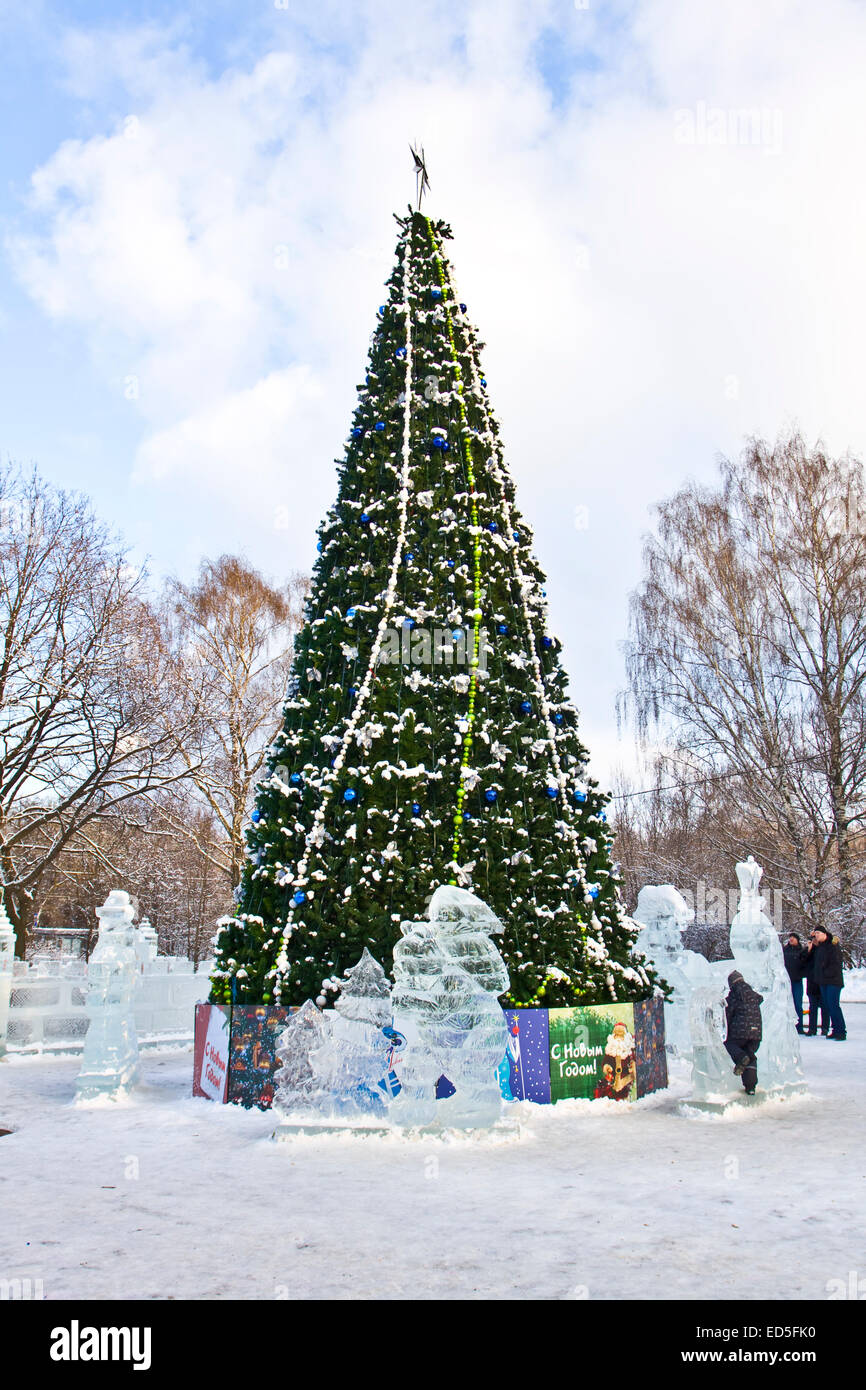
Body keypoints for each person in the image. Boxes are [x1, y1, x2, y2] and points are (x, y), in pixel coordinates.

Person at [724, 970, 764, 1095]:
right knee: (750, 1055)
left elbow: (728, 1014)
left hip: (740, 1032)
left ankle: (741, 1058)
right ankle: (750, 1087)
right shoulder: (753, 995)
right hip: (756, 1034)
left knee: (730, 1045)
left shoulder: (734, 995)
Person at [806, 927, 846, 1041]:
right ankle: (835, 1029)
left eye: (818, 933)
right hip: (823, 981)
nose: (817, 936)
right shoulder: (821, 946)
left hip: (833, 981)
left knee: (834, 1005)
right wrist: (812, 936)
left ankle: (841, 1031)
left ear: (824, 934)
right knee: (828, 1006)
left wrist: (824, 971)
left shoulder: (832, 945)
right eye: (816, 934)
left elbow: (836, 963)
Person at [802, 932, 829, 1035]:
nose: (814, 941)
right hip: (812, 982)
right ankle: (812, 1028)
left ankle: (825, 1027)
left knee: (824, 1006)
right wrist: (808, 950)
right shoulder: (809, 951)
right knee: (812, 1007)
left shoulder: (823, 950)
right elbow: (802, 960)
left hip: (822, 981)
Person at [782, 931, 808, 1033]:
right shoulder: (785, 950)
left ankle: (799, 1026)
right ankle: (787, 1027)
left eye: (793, 938)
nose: (791, 939)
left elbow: (805, 963)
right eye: (790, 937)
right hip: (786, 981)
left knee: (798, 1004)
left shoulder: (801, 951)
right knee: (786, 1004)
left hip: (797, 981)